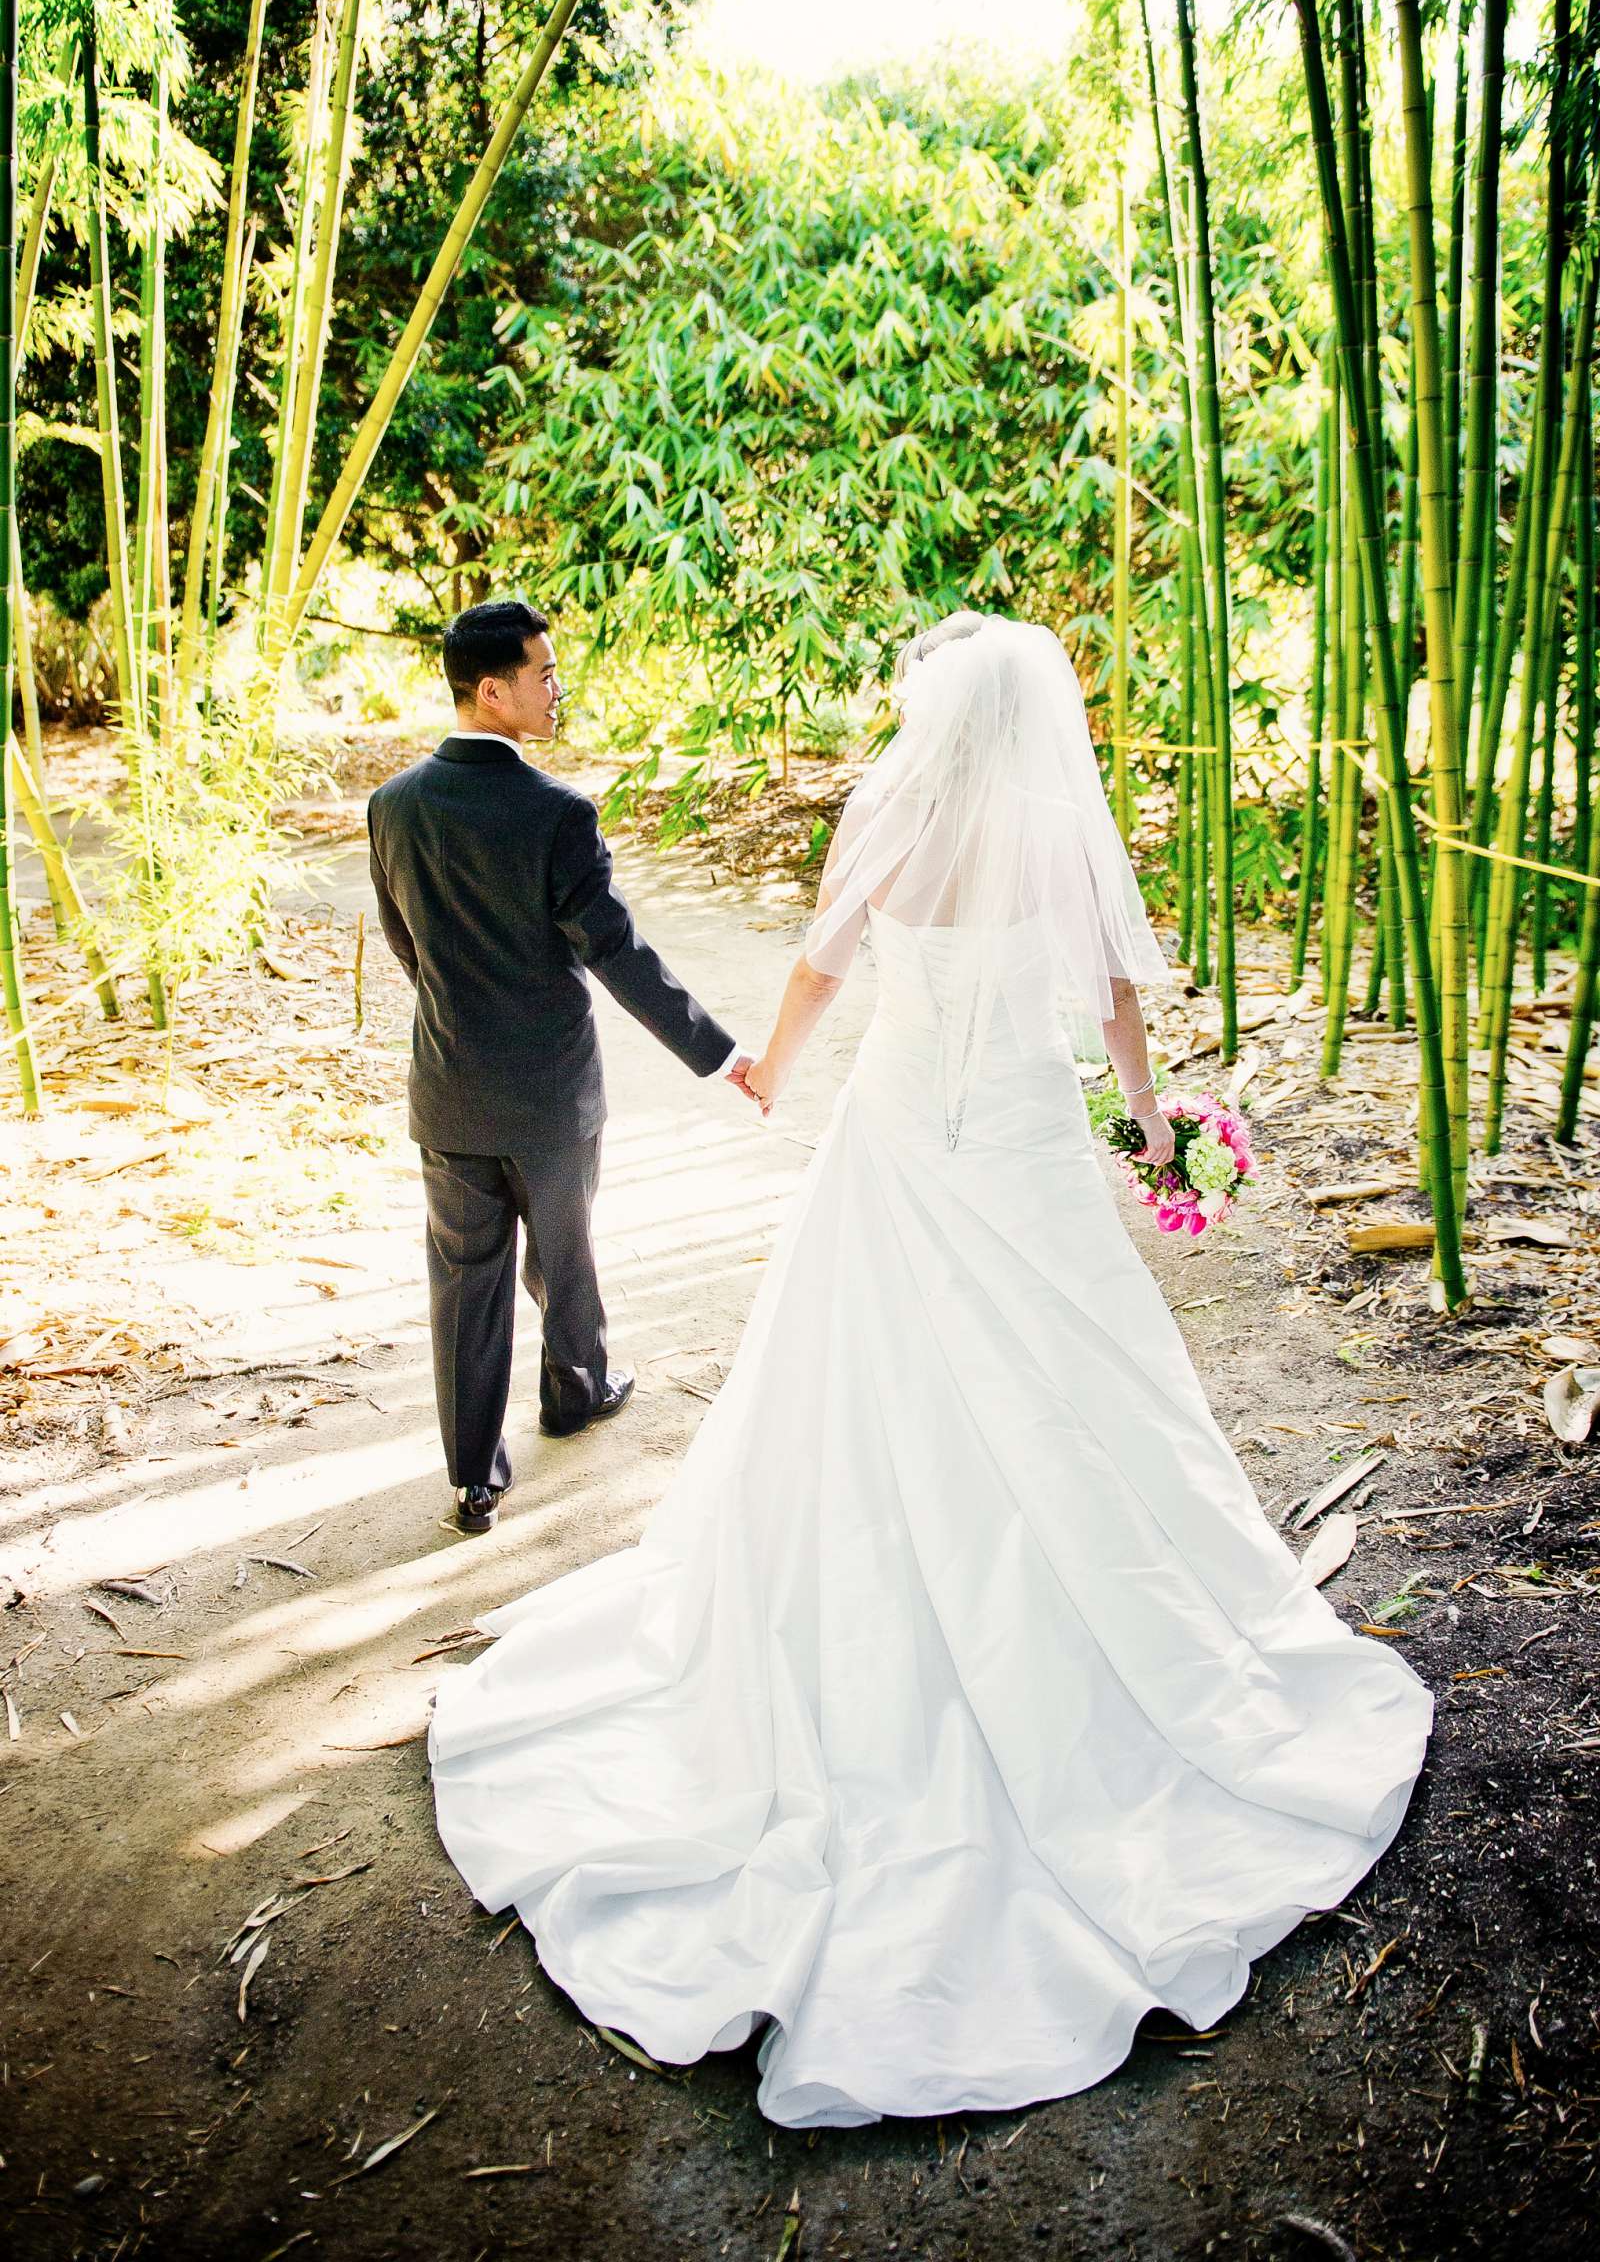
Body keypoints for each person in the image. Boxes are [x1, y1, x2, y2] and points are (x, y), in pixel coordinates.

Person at [427, 611, 1434, 2128]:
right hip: (1019, 1139)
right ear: (1030, 721)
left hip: (901, 1130)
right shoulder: (1055, 837)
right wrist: (1154, 1131)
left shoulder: (887, 814)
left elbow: (826, 968)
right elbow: (1112, 1007)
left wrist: (767, 1069)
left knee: (856, 1380)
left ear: (933, 715)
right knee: (1083, 1393)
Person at [367, 599, 754, 1535]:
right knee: (566, 1249)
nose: (556, 685)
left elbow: (405, 945)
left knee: (465, 1281)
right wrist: (719, 1050)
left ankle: (472, 1478)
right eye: (542, 672)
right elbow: (617, 955)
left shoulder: (393, 806)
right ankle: (576, 1391)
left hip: (449, 1085)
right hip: (550, 1092)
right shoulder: (557, 814)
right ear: (491, 690)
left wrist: (465, 1008)